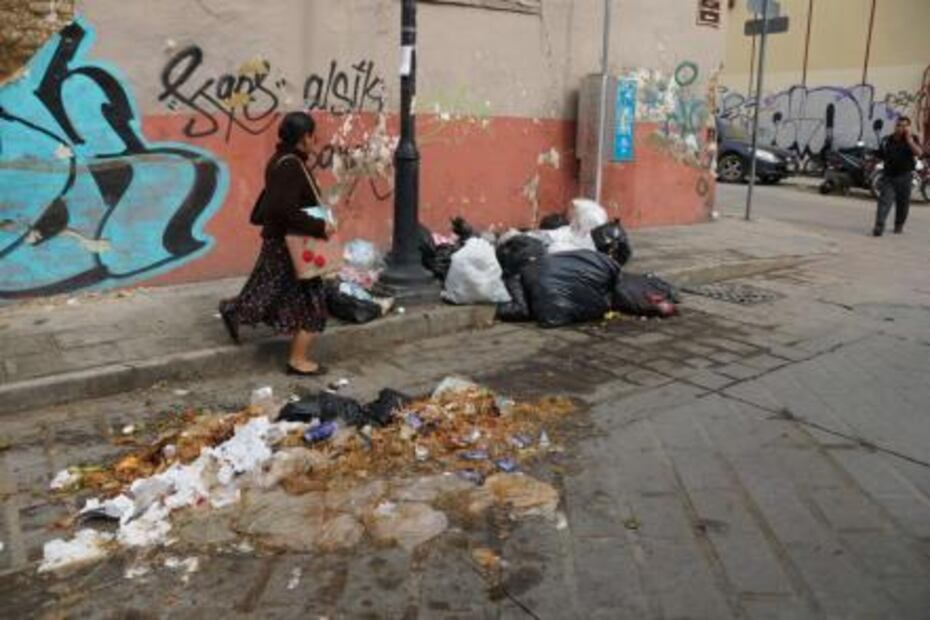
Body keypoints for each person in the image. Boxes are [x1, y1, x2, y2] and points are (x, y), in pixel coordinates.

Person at [219, 112, 333, 376]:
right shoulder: (291, 165)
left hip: (281, 241)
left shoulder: (281, 160)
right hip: (292, 244)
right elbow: (286, 210)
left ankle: (233, 310)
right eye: (312, 135)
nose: (315, 140)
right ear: (305, 137)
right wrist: (320, 225)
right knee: (313, 303)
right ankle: (297, 360)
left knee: (267, 290)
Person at [873, 116, 923, 236]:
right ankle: (879, 226)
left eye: (905, 125)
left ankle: (898, 224)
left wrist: (909, 140)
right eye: (899, 125)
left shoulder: (912, 139)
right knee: (884, 201)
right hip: (889, 175)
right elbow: (881, 154)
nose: (901, 128)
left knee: (903, 203)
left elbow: (919, 153)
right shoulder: (887, 140)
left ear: (909, 127)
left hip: (905, 176)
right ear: (895, 126)